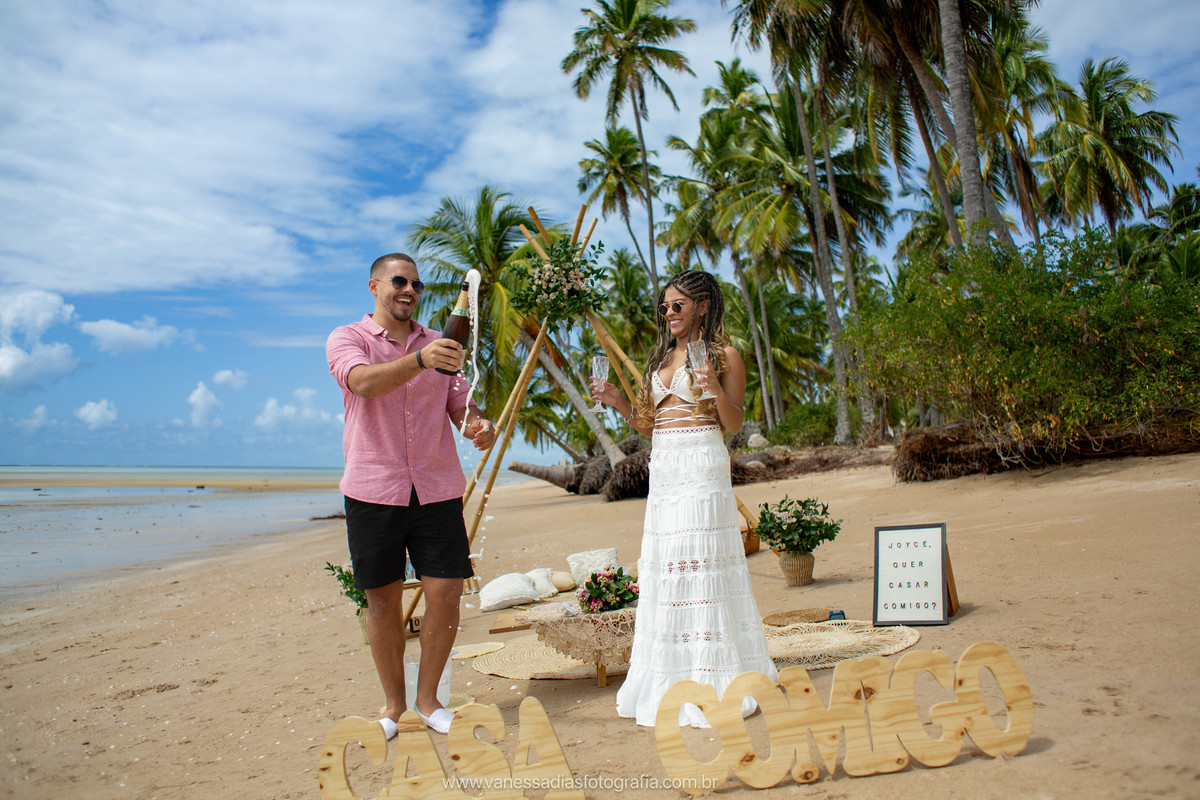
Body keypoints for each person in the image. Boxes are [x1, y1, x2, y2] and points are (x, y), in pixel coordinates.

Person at [592, 269, 778, 727]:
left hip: (702, 460)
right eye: (665, 306)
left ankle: (714, 673)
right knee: (669, 563)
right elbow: (649, 424)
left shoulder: (727, 355)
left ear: (703, 306)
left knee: (705, 560)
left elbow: (733, 424)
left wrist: (714, 388)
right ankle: (672, 675)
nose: (669, 313)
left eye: (678, 305)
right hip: (667, 465)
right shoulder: (659, 361)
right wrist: (619, 403)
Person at [326, 253, 495, 739]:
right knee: (381, 601)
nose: (409, 290)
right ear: (375, 286)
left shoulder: (439, 343)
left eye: (417, 284)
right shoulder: (348, 339)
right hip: (373, 487)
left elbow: (461, 403)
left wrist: (478, 425)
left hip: (436, 486)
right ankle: (394, 706)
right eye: (399, 281)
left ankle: (429, 701)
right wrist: (420, 359)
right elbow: (361, 382)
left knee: (445, 593)